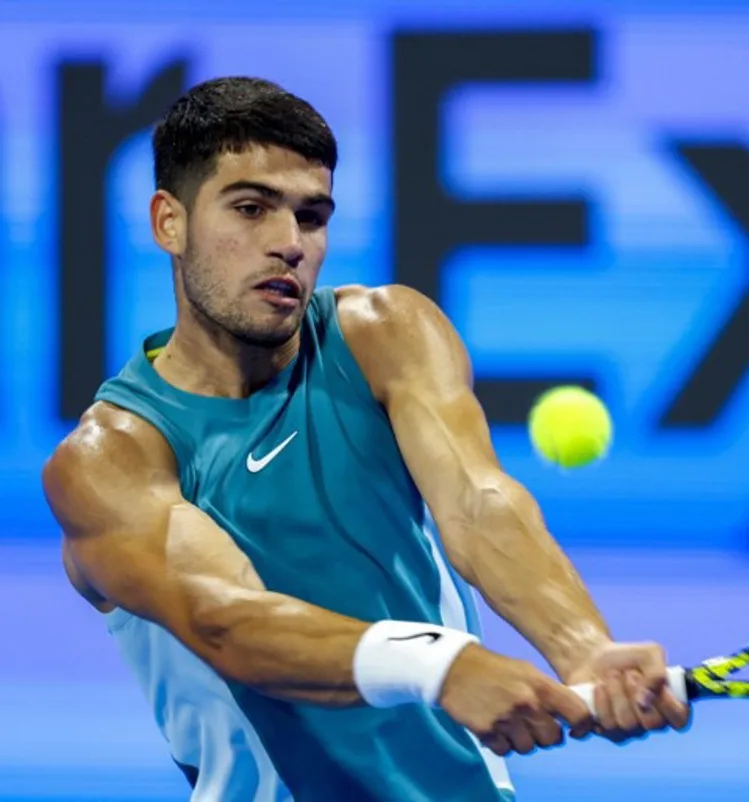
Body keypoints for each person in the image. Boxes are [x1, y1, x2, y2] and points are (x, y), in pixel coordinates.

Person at [41, 76, 689, 802]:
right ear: (170, 222)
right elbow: (227, 620)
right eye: (251, 208)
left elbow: (479, 505)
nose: (288, 243)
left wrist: (584, 648)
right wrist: (440, 665)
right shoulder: (111, 460)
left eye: (311, 217)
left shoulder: (384, 334)